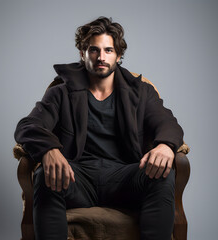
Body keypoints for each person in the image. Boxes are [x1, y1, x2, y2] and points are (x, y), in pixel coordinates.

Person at [15, 17, 183, 240]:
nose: (101, 57)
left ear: (118, 55)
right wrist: (49, 150)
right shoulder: (61, 93)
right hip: (77, 179)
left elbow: (168, 123)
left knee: (163, 175)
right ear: (83, 54)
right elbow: (28, 126)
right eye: (94, 50)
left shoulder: (141, 92)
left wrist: (165, 146)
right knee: (45, 174)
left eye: (109, 50)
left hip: (125, 179)